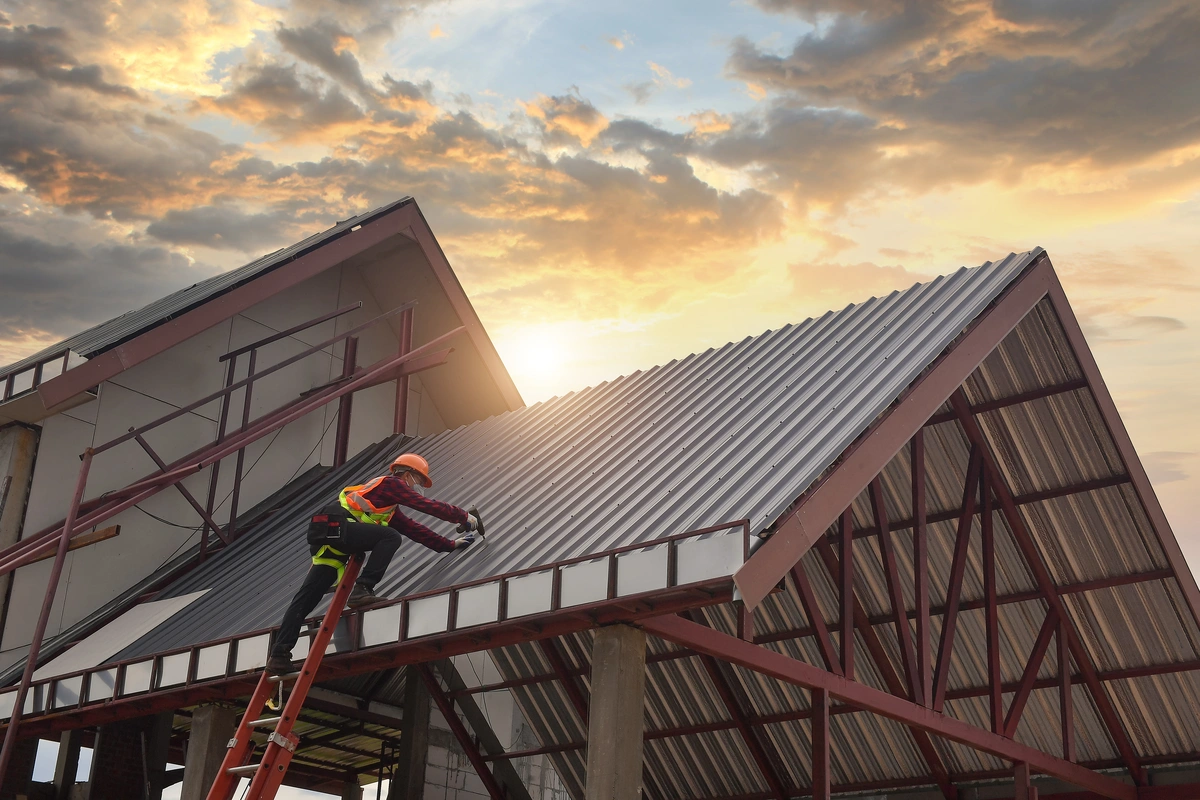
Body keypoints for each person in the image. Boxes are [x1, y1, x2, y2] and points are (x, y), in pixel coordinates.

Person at [265, 453, 479, 674]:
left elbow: (415, 529)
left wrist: (448, 544)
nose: (421, 487)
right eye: (420, 482)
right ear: (407, 475)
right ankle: (362, 588)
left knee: (305, 599)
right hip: (337, 525)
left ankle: (279, 656)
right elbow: (425, 505)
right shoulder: (392, 484)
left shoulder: (386, 506)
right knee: (390, 537)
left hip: (327, 534)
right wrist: (461, 516)